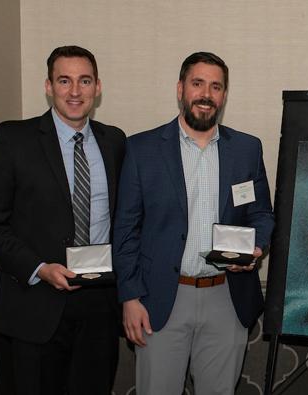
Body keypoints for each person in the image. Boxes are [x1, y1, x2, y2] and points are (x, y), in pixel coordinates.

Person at [113, 51, 275, 394]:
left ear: (224, 95)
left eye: (216, 86)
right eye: (197, 83)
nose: (206, 94)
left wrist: (255, 248)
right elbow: (125, 230)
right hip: (159, 300)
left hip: (226, 298)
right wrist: (130, 297)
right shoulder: (142, 149)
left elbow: (261, 214)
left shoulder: (246, 149)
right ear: (180, 89)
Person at [0, 45, 125, 394]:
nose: (74, 91)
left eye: (84, 81)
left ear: (97, 87)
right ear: (48, 86)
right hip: (35, 306)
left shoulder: (114, 141)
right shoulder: (14, 138)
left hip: (99, 307)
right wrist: (40, 268)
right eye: (64, 80)